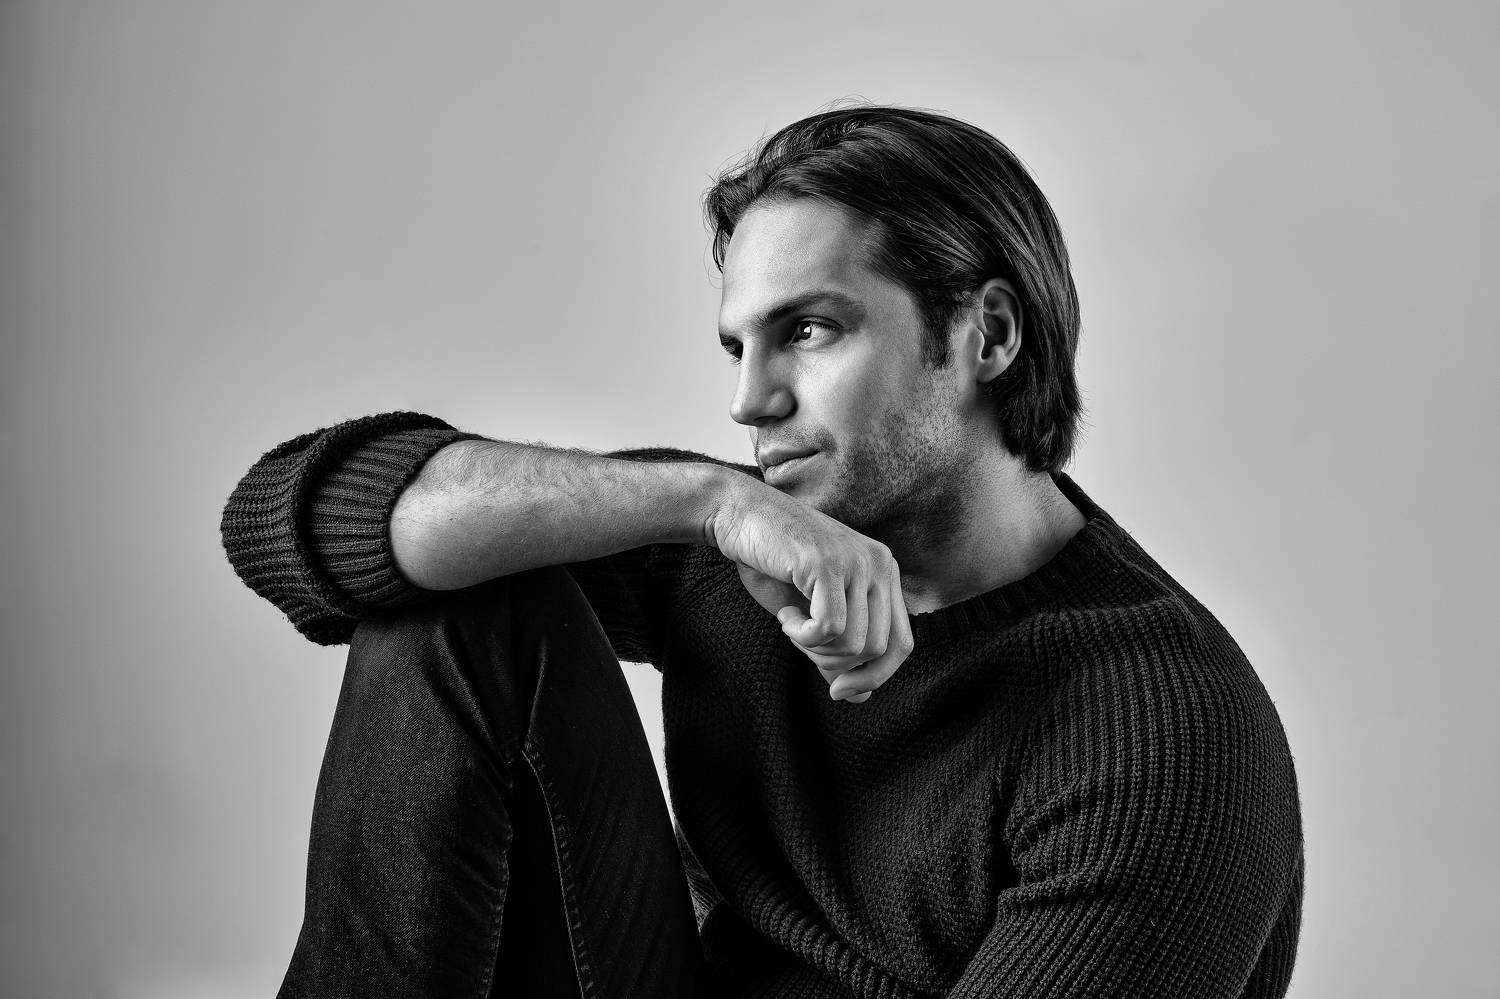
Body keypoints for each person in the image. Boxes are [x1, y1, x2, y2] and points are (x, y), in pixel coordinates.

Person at [221, 105, 1304, 998]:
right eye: (738, 346)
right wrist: (700, 499)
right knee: (464, 594)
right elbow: (278, 522)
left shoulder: (1165, 733)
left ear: (989, 335)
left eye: (810, 331)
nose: (749, 401)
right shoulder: (746, 538)